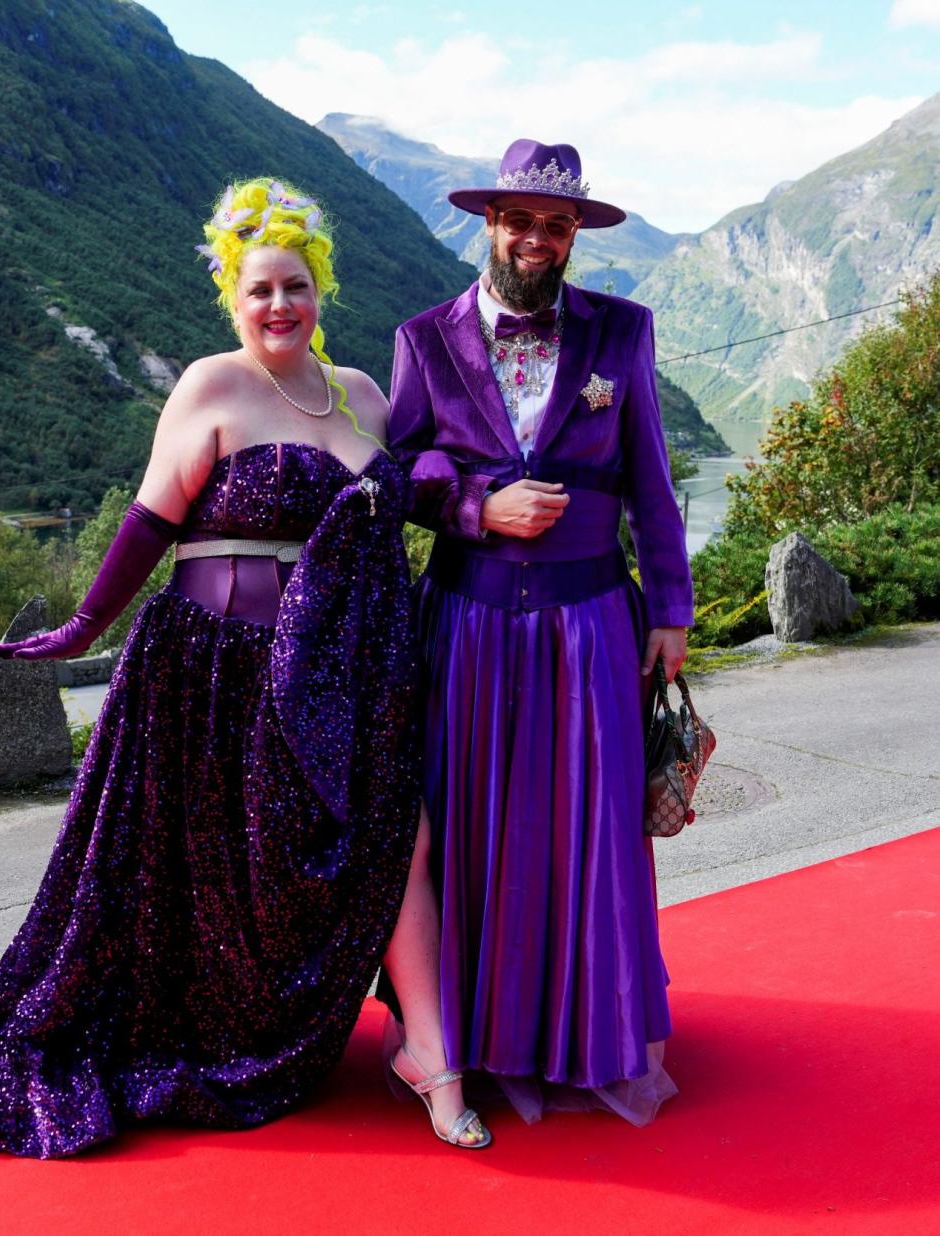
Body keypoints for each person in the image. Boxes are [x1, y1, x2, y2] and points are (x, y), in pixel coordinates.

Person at [0, 177, 489, 1157]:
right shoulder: (213, 385)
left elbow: (409, 516)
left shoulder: (366, 399)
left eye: (295, 286)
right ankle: (224, 1029)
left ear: (320, 288)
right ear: (233, 295)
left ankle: (433, 1057)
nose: (279, 307)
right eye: (259, 290)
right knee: (228, 870)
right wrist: (85, 622)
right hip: (219, 672)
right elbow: (149, 518)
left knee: (403, 838)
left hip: (347, 673)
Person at [386, 139, 694, 1125]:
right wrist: (478, 506)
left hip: (597, 617)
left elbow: (650, 477)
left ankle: (588, 1032)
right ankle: (463, 1039)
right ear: (490, 224)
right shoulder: (424, 340)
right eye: (519, 219)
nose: (535, 239)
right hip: (469, 621)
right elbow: (395, 476)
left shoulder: (624, 334)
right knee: (472, 828)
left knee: (589, 825)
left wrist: (675, 608)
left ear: (574, 237)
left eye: (555, 225)